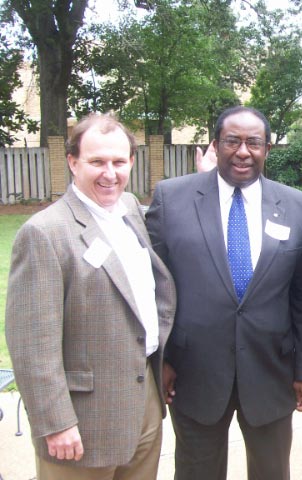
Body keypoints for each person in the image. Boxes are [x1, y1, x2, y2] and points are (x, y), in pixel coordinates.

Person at [146, 106, 302, 480]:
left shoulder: (298, 207)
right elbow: (153, 289)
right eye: (232, 141)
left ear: (267, 149)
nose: (243, 151)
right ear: (216, 144)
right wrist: (159, 360)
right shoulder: (170, 199)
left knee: (272, 472)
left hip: (271, 371)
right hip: (192, 374)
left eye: (254, 142)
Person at [5, 113, 177, 479]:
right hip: (83, 419)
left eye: (118, 162)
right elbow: (32, 344)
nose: (109, 173)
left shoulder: (129, 208)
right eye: (96, 162)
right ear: (72, 162)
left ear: (132, 161)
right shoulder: (45, 234)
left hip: (144, 399)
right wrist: (55, 423)